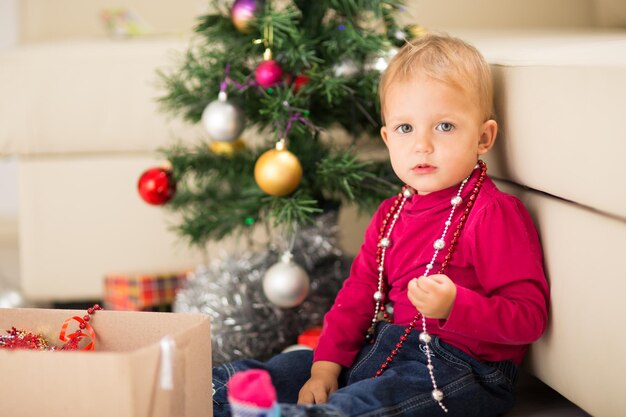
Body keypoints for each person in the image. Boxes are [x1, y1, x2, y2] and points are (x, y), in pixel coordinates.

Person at [212, 33, 550, 417]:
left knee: (370, 402)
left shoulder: (492, 213)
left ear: (483, 137)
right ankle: (208, 392)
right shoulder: (391, 213)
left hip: (458, 367)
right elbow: (356, 296)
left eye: (444, 126)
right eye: (406, 129)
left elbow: (529, 317)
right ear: (388, 138)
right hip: (384, 346)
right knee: (290, 369)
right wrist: (325, 367)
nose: (421, 144)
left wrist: (456, 304)